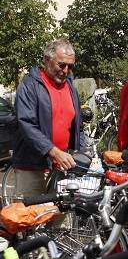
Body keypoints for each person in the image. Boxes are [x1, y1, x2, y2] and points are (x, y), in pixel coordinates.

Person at [13, 38, 85, 198]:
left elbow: (78, 126)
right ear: (47, 59)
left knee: (62, 219)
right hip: (32, 168)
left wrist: (82, 153)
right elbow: (26, 124)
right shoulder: (29, 86)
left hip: (62, 169)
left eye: (70, 66)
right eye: (61, 65)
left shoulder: (70, 87)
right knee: (31, 219)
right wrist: (53, 152)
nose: (66, 70)